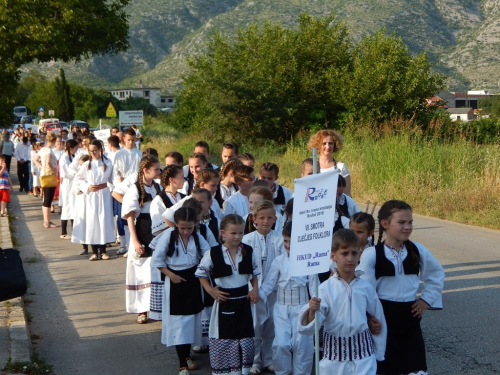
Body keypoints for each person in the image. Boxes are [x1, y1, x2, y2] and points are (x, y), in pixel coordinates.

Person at [357, 200, 445, 375]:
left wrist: (424, 301)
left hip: (410, 317)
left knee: (413, 366)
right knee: (385, 364)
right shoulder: (372, 254)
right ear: (385, 224)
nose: (407, 227)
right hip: (382, 318)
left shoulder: (417, 250)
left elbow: (436, 274)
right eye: (401, 222)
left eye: (410, 222)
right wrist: (367, 317)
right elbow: (363, 290)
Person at [298, 229, 387, 375]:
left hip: (364, 359)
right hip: (334, 361)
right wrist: (312, 311)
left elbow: (378, 318)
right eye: (344, 253)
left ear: (360, 254)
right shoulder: (325, 288)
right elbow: (310, 327)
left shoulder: (366, 287)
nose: (350, 258)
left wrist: (379, 353)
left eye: (354, 253)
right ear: (333, 256)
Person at [195, 214, 260, 375]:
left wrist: (255, 289)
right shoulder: (214, 253)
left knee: (245, 341)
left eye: (240, 233)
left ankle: (242, 371)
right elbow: (201, 274)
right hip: (225, 301)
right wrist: (211, 290)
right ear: (223, 233)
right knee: (226, 340)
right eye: (233, 233)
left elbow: (254, 274)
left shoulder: (248, 250)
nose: (238, 236)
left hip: (244, 302)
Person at [151, 206, 211, 375]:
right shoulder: (168, 237)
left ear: (196, 224)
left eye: (189, 228)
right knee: (179, 322)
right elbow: (157, 261)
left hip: (193, 279)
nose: (185, 231)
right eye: (182, 228)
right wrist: (171, 275)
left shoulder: (198, 238)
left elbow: (208, 256)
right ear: (176, 224)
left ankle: (187, 355)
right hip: (175, 280)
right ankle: (182, 361)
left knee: (192, 320)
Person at [258, 222, 314, 375]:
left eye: (293, 241)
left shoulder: (308, 261)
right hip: (281, 308)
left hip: (302, 306)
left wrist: (315, 306)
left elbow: (314, 288)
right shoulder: (279, 261)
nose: (288, 245)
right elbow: (268, 285)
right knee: (281, 344)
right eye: (286, 240)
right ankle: (283, 372)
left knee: (301, 344)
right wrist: (257, 296)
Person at [242, 200, 284, 375]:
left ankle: (269, 360)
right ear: (254, 219)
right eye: (262, 218)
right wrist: (251, 289)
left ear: (275, 219)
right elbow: (243, 267)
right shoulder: (247, 240)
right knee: (255, 327)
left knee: (272, 327)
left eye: (269, 218)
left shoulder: (280, 239)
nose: (265, 221)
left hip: (275, 290)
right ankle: (254, 361)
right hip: (255, 291)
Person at [122, 155, 162, 323]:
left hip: (156, 231)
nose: (159, 172)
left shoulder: (158, 188)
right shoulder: (135, 189)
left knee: (154, 270)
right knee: (141, 271)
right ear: (146, 170)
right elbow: (130, 217)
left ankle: (155, 307)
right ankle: (141, 310)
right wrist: (135, 241)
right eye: (156, 169)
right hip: (141, 230)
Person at [71, 140, 115, 260]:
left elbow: (113, 179)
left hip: (104, 195)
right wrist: (87, 187)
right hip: (91, 196)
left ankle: (104, 250)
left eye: (95, 150)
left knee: (104, 221)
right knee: (92, 222)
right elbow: (78, 179)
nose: (93, 153)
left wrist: (115, 190)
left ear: (100, 149)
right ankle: (94, 252)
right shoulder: (86, 165)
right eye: (90, 151)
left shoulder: (108, 163)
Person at [307, 129, 351, 196]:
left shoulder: (341, 167)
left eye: (330, 143)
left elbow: (347, 195)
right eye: (324, 143)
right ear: (317, 145)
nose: (328, 147)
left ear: (334, 145)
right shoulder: (312, 166)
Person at [36, 131, 59, 228]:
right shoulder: (49, 150)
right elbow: (49, 161)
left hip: (43, 174)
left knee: (46, 198)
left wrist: (42, 167)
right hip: (49, 175)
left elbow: (35, 159)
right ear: (54, 141)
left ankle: (46, 220)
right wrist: (52, 169)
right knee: (48, 200)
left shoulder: (43, 149)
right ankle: (47, 221)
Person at [59, 139, 79, 240]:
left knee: (73, 208)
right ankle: (63, 232)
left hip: (72, 184)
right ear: (71, 148)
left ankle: (74, 231)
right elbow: (64, 173)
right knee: (67, 208)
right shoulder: (64, 158)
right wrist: (75, 175)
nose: (77, 150)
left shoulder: (72, 157)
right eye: (76, 148)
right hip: (67, 185)